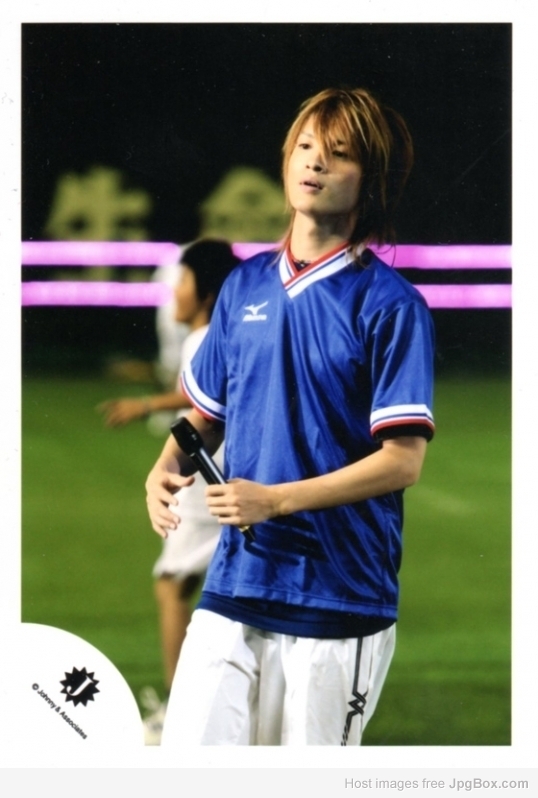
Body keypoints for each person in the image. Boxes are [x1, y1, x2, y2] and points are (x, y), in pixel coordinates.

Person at [145, 87, 435, 746]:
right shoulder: (243, 286)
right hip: (236, 582)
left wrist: (275, 500)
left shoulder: (391, 305)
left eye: (339, 153)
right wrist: (164, 466)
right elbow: (207, 414)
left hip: (339, 594)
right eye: (305, 146)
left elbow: (402, 462)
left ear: (371, 180)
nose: (315, 162)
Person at [99, 238, 241, 743]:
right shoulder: (219, 333)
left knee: (172, 584)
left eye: (182, 281)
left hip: (203, 481)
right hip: (228, 476)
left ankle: (179, 715)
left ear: (206, 292)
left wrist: (144, 405)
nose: (174, 292)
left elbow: (199, 401)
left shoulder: (204, 338)